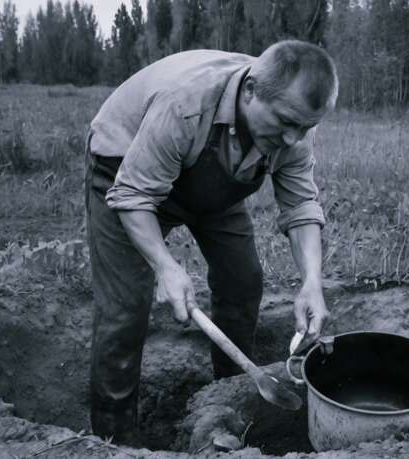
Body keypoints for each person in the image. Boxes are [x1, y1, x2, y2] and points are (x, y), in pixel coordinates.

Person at [84, 39, 338, 445]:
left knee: (243, 280)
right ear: (252, 91)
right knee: (125, 310)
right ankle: (115, 440)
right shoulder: (186, 103)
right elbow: (132, 195)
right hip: (125, 173)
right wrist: (166, 267)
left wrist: (311, 281)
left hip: (214, 179)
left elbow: (302, 204)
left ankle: (232, 395)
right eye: (286, 123)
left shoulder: (293, 128)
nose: (294, 139)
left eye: (305, 128)